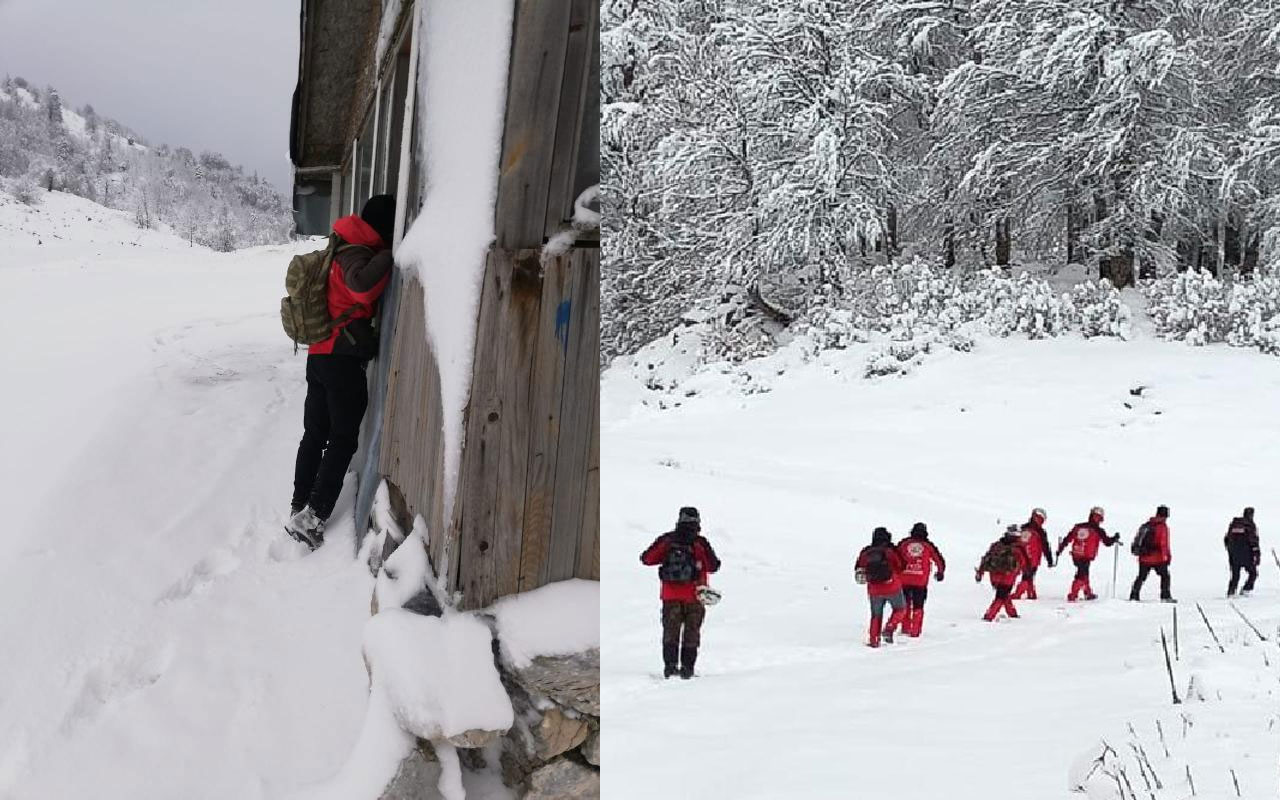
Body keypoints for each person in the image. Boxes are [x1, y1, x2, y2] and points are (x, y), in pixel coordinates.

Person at [285, 195, 397, 549]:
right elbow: (361, 288)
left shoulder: (341, 245)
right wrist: (389, 255)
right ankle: (313, 516)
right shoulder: (357, 253)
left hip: (319, 355)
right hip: (340, 359)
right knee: (343, 438)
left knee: (315, 434)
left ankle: (300, 502)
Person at [640, 507, 722, 678]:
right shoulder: (700, 542)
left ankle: (670, 668)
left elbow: (647, 559)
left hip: (670, 595)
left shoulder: (668, 540)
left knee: (671, 633)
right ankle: (687, 670)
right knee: (692, 634)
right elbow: (714, 566)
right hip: (696, 595)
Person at [855, 527, 908, 647]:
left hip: (874, 588)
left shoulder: (866, 552)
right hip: (892, 585)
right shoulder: (890, 551)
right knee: (900, 609)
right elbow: (901, 566)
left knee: (876, 615)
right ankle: (889, 628)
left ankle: (874, 640)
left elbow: (859, 569)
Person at [1055, 506, 1120, 601]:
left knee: (1084, 573)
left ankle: (1087, 593)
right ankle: (1073, 594)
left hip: (1076, 554)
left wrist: (1060, 549)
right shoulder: (1098, 530)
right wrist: (1115, 538)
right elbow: (1107, 542)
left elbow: (1067, 539)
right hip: (1086, 555)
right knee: (1081, 575)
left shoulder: (1078, 527)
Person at [895, 522, 946, 637]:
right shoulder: (928, 545)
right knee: (918, 606)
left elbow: (894, 557)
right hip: (920, 580)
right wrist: (940, 572)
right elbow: (939, 560)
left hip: (904, 579)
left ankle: (905, 628)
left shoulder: (904, 544)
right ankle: (915, 631)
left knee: (906, 604)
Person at [975, 525, 1029, 621]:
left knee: (1004, 595)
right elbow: (1025, 563)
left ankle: (1012, 613)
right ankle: (989, 616)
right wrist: (1026, 574)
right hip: (1008, 577)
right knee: (1001, 596)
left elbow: (986, 558)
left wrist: (980, 572)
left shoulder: (997, 545)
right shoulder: (1018, 547)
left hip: (994, 576)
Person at [1129, 505, 1175, 603]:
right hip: (1157, 558)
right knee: (1165, 576)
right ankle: (1165, 596)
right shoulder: (1162, 527)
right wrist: (1167, 557)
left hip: (1145, 557)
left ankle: (1134, 595)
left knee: (1141, 576)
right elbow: (1163, 544)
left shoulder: (1148, 525)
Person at [1012, 508, 1055, 600]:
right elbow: (1045, 547)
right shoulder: (1040, 532)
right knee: (1028, 576)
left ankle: (1031, 593)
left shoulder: (1022, 528)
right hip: (1033, 559)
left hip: (1020, 556)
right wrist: (1049, 560)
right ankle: (1018, 593)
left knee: (1028, 575)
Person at [1224, 507, 1260, 597]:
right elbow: (1253, 540)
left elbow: (1226, 539)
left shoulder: (1234, 524)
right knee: (1253, 573)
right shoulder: (1249, 525)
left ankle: (1231, 592)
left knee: (1235, 575)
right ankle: (1246, 590)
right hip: (1247, 555)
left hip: (1234, 555)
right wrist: (1256, 554)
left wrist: (1230, 550)